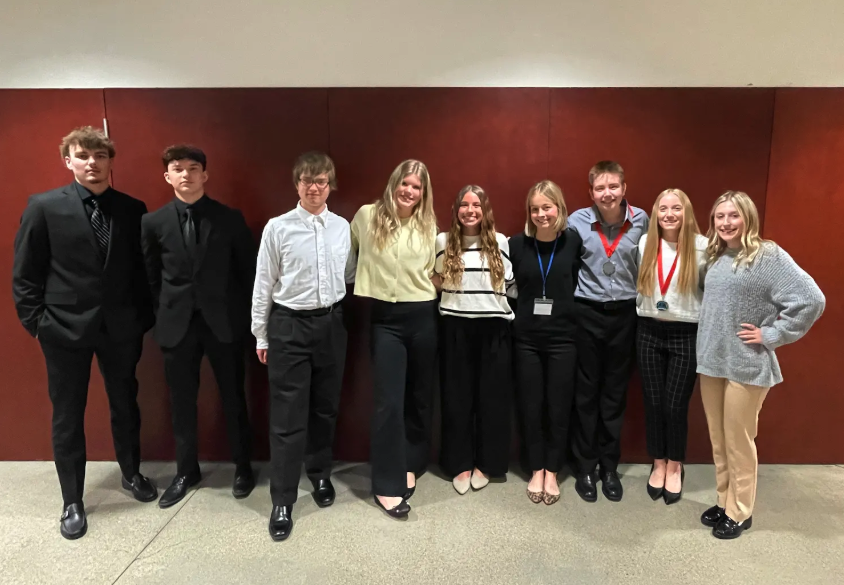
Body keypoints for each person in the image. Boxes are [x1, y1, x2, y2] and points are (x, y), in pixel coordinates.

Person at [12, 126, 156, 539]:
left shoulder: (133, 208)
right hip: (62, 330)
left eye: (100, 155)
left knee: (125, 404)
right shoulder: (43, 207)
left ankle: (131, 473)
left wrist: (141, 319)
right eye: (83, 155)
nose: (92, 162)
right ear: (68, 161)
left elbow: (141, 273)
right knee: (68, 415)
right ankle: (72, 500)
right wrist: (39, 325)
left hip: (121, 329)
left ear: (111, 161)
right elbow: (25, 275)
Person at [697, 191, 824, 539]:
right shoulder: (717, 256)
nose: (725, 223)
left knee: (739, 440)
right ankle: (725, 501)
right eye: (719, 216)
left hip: (747, 365)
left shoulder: (767, 255)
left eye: (733, 216)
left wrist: (772, 334)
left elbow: (812, 299)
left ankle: (741, 511)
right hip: (711, 362)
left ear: (748, 218)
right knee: (719, 438)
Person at [141, 145, 255, 509]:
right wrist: (164, 316)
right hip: (177, 327)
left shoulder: (230, 219)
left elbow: (247, 275)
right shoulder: (153, 223)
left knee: (235, 398)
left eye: (194, 168)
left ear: (205, 175)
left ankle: (243, 467)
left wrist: (244, 320)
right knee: (181, 402)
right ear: (168, 176)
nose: (187, 175)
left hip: (224, 325)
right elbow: (150, 278)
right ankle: (186, 471)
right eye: (179, 169)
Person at [252, 152, 351, 542]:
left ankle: (321, 474)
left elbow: (349, 273)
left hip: (331, 324)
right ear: (296, 185)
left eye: (322, 181)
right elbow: (263, 283)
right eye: (307, 180)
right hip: (289, 326)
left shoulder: (342, 227)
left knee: (325, 409)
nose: (314, 187)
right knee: (288, 418)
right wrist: (261, 334)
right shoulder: (278, 228)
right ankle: (282, 500)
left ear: (331, 185)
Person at [349, 159, 438, 519]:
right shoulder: (366, 216)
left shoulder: (428, 224)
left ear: (423, 193)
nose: (409, 192)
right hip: (385, 318)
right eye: (404, 184)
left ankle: (410, 463)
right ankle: (386, 485)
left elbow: (434, 270)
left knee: (419, 396)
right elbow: (348, 257)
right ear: (393, 184)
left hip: (423, 316)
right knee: (388, 402)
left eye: (416, 187)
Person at [568, 161, 649, 503]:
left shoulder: (643, 220)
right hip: (586, 312)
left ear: (624, 187)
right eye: (600, 188)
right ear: (591, 193)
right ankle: (585, 467)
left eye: (613, 186)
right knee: (586, 393)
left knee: (614, 393)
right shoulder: (577, 221)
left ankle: (609, 467)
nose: (607, 194)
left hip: (625, 314)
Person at [435, 185, 513, 495]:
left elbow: (511, 283)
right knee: (457, 401)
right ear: (455, 210)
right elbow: (436, 281)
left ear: (485, 209)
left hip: (493, 328)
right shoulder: (443, 241)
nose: (471, 210)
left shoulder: (499, 241)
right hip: (455, 327)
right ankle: (459, 463)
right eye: (464, 205)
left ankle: (487, 463)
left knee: (492, 401)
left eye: (477, 204)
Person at [508, 181, 582, 505]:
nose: (541, 214)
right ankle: (536, 466)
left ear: (559, 208)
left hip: (564, 338)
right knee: (531, 405)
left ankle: (553, 469)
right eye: (535, 208)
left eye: (547, 207)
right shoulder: (516, 245)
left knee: (559, 406)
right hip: (525, 338)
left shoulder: (573, 243)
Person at [635, 188, 707, 504]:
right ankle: (659, 461)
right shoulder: (645, 244)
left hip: (686, 333)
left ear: (686, 211)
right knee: (652, 402)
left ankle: (676, 465)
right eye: (662, 208)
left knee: (675, 405)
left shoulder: (702, 247)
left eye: (675, 208)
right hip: (648, 330)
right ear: (655, 213)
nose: (669, 214)